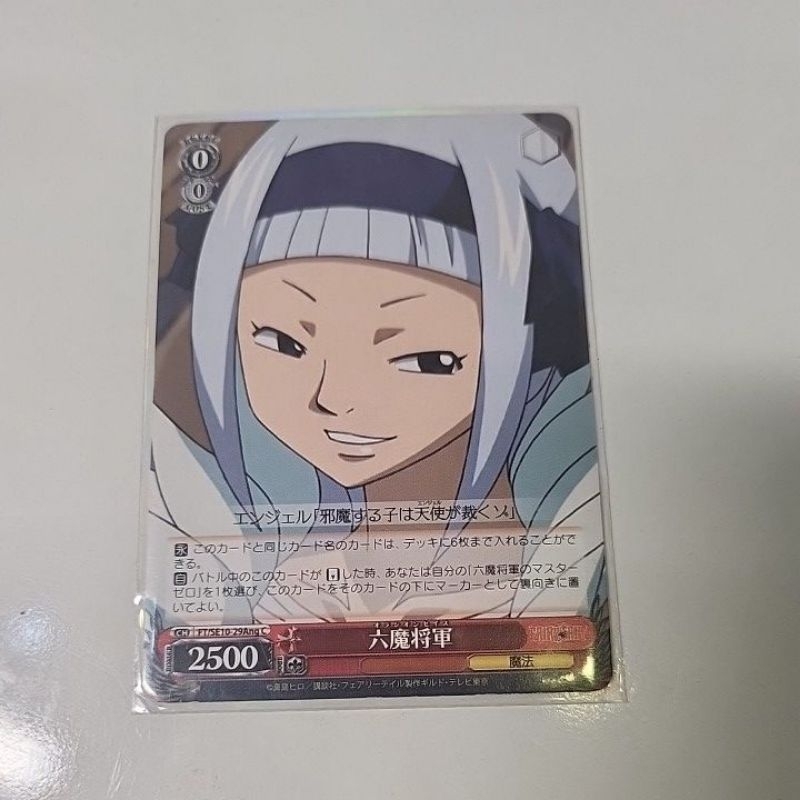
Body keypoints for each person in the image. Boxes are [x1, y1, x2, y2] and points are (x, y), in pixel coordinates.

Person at [147, 113, 606, 625]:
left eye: (424, 359)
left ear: (525, 344)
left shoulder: (585, 523)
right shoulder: (236, 532)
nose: (334, 397)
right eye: (283, 341)